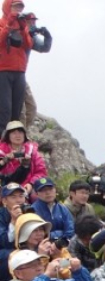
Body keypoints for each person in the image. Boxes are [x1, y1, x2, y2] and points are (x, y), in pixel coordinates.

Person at [0, 0, 31, 130]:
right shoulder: (1, 23)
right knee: (4, 109)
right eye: (16, 6)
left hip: (19, 72)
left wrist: (24, 28)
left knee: (16, 110)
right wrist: (9, 24)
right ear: (8, 7)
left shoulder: (21, 25)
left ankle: (12, 141)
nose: (18, 10)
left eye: (20, 7)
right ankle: (2, 140)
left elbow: (28, 45)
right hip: (3, 71)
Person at [19, 11, 50, 129]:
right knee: (19, 111)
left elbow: (44, 48)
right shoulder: (13, 32)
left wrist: (47, 36)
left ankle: (20, 136)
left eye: (34, 21)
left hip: (21, 75)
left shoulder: (31, 36)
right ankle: (11, 139)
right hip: (6, 75)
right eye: (30, 21)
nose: (33, 23)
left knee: (31, 108)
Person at [0, 120, 46, 193]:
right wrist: (4, 160)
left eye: (20, 132)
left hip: (28, 186)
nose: (18, 135)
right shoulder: (1, 151)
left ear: (24, 135)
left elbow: (41, 172)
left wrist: (31, 184)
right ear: (8, 135)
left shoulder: (33, 152)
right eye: (14, 133)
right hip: (5, 186)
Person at [30, 177, 74, 243]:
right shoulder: (33, 210)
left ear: (55, 190)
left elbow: (70, 229)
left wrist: (62, 241)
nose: (48, 192)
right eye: (43, 190)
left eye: (50, 189)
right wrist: (58, 233)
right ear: (37, 194)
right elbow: (37, 234)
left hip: (62, 245)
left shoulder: (62, 208)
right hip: (42, 246)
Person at [0, 182, 24, 281]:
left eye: (20, 196)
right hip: (5, 251)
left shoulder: (29, 210)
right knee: (11, 257)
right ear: (4, 200)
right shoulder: (1, 215)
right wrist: (13, 221)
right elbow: (4, 241)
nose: (18, 200)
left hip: (25, 248)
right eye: (13, 197)